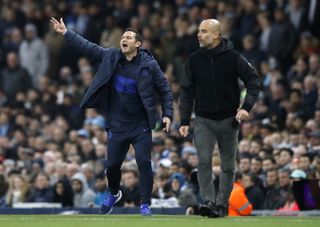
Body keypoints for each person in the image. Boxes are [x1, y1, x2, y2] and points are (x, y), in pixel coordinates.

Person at [50, 17, 173, 215]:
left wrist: (168, 113)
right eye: (123, 36)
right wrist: (66, 32)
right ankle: (114, 192)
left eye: (129, 37)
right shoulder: (112, 56)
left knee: (143, 162)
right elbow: (88, 47)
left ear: (138, 44)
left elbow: (165, 89)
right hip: (117, 123)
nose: (124, 39)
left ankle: (145, 204)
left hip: (140, 124)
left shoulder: (149, 65)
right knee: (112, 166)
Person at [179, 19, 260, 218]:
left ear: (216, 35)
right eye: (199, 31)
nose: (199, 34)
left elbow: (253, 80)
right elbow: (186, 91)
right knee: (204, 161)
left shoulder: (233, 57)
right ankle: (208, 202)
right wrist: (183, 120)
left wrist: (246, 107)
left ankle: (221, 204)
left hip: (229, 119)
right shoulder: (194, 59)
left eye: (204, 31)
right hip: (203, 119)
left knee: (228, 165)